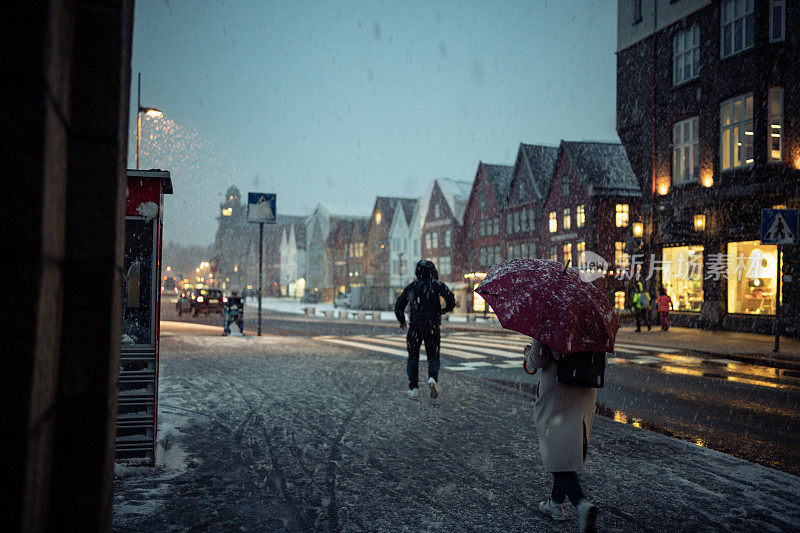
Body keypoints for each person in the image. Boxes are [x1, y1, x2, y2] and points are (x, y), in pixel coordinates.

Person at [523, 339, 599, 533]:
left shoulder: (551, 316)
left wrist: (527, 355)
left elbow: (538, 360)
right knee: (566, 448)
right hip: (585, 388)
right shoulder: (592, 321)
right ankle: (556, 503)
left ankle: (581, 503)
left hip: (558, 388)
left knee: (555, 450)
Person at [394, 260, 455, 399]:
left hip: (415, 326)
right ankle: (432, 378)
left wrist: (402, 320)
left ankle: (414, 387)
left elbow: (399, 305)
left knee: (413, 356)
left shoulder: (412, 286)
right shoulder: (437, 285)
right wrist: (445, 309)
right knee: (433, 355)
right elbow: (451, 299)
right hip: (432, 326)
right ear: (433, 271)